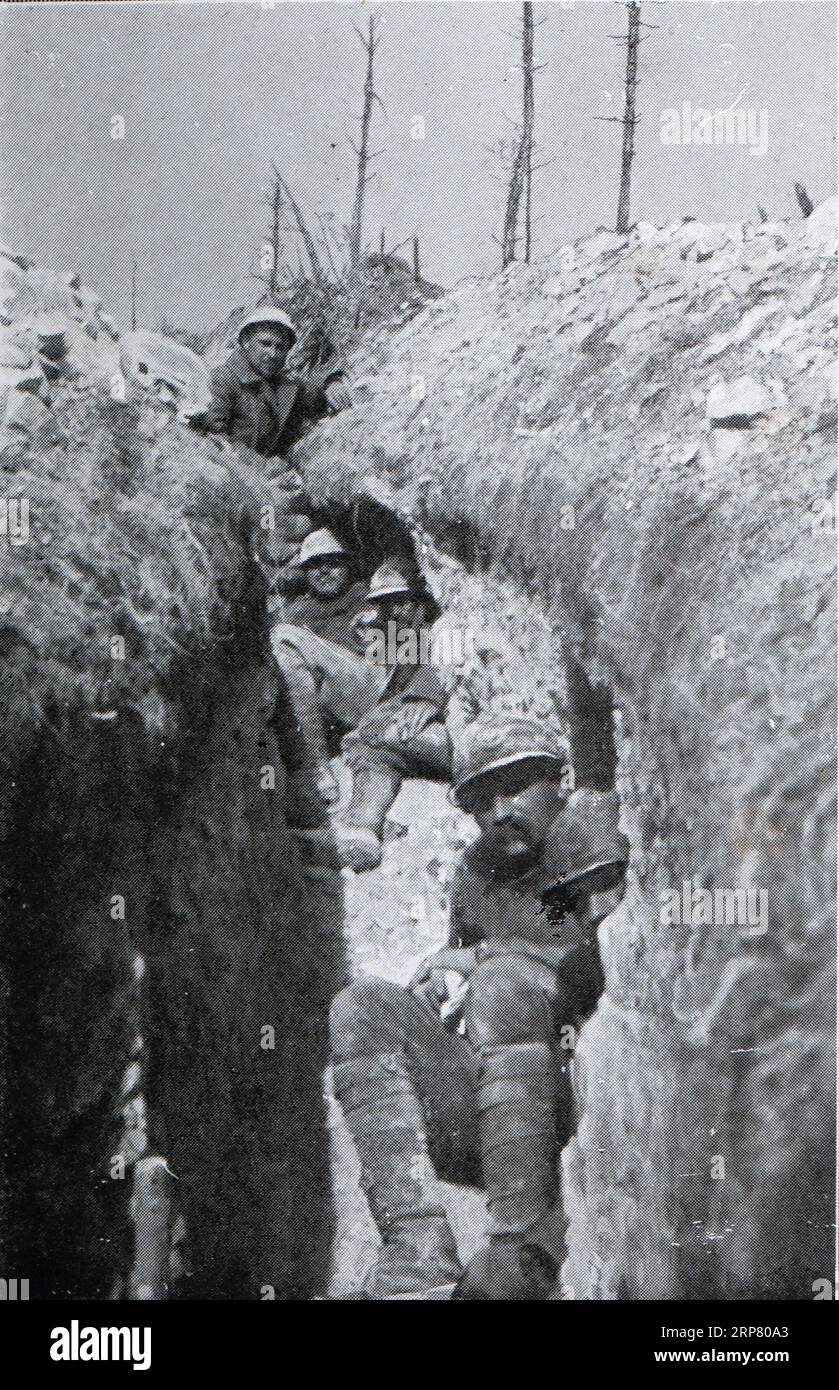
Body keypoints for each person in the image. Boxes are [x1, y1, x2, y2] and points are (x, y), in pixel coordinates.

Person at [328, 717, 629, 1298]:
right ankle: (416, 1247)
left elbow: (611, 961)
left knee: (503, 986)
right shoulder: (475, 873)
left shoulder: (586, 834)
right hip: (504, 1108)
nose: (497, 812)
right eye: (481, 801)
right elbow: (469, 971)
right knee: (360, 1007)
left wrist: (488, 960)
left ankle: (524, 1242)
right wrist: (442, 980)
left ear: (556, 779)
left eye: (515, 787)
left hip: (589, 1106)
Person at [297, 560, 452, 872]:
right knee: (373, 746)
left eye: (400, 602)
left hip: (457, 741)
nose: (393, 612)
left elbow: (451, 663)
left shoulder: (442, 630)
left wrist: (427, 698)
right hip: (404, 733)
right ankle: (361, 831)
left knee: (376, 731)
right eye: (385, 605)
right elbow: (377, 663)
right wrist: (364, 632)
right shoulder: (400, 637)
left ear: (422, 602)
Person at [271, 528, 388, 807]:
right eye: (315, 565)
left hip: (377, 691)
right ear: (304, 572)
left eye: (333, 563)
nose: (324, 571)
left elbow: (409, 643)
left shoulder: (369, 595)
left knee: (284, 638)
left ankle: (316, 768)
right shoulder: (295, 612)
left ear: (348, 566)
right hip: (335, 705)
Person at [200, 307, 351, 464]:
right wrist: (262, 466)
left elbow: (316, 395)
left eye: (280, 347)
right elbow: (213, 437)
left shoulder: (286, 384)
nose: (272, 354)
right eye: (265, 343)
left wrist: (333, 383)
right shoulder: (222, 379)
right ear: (246, 342)